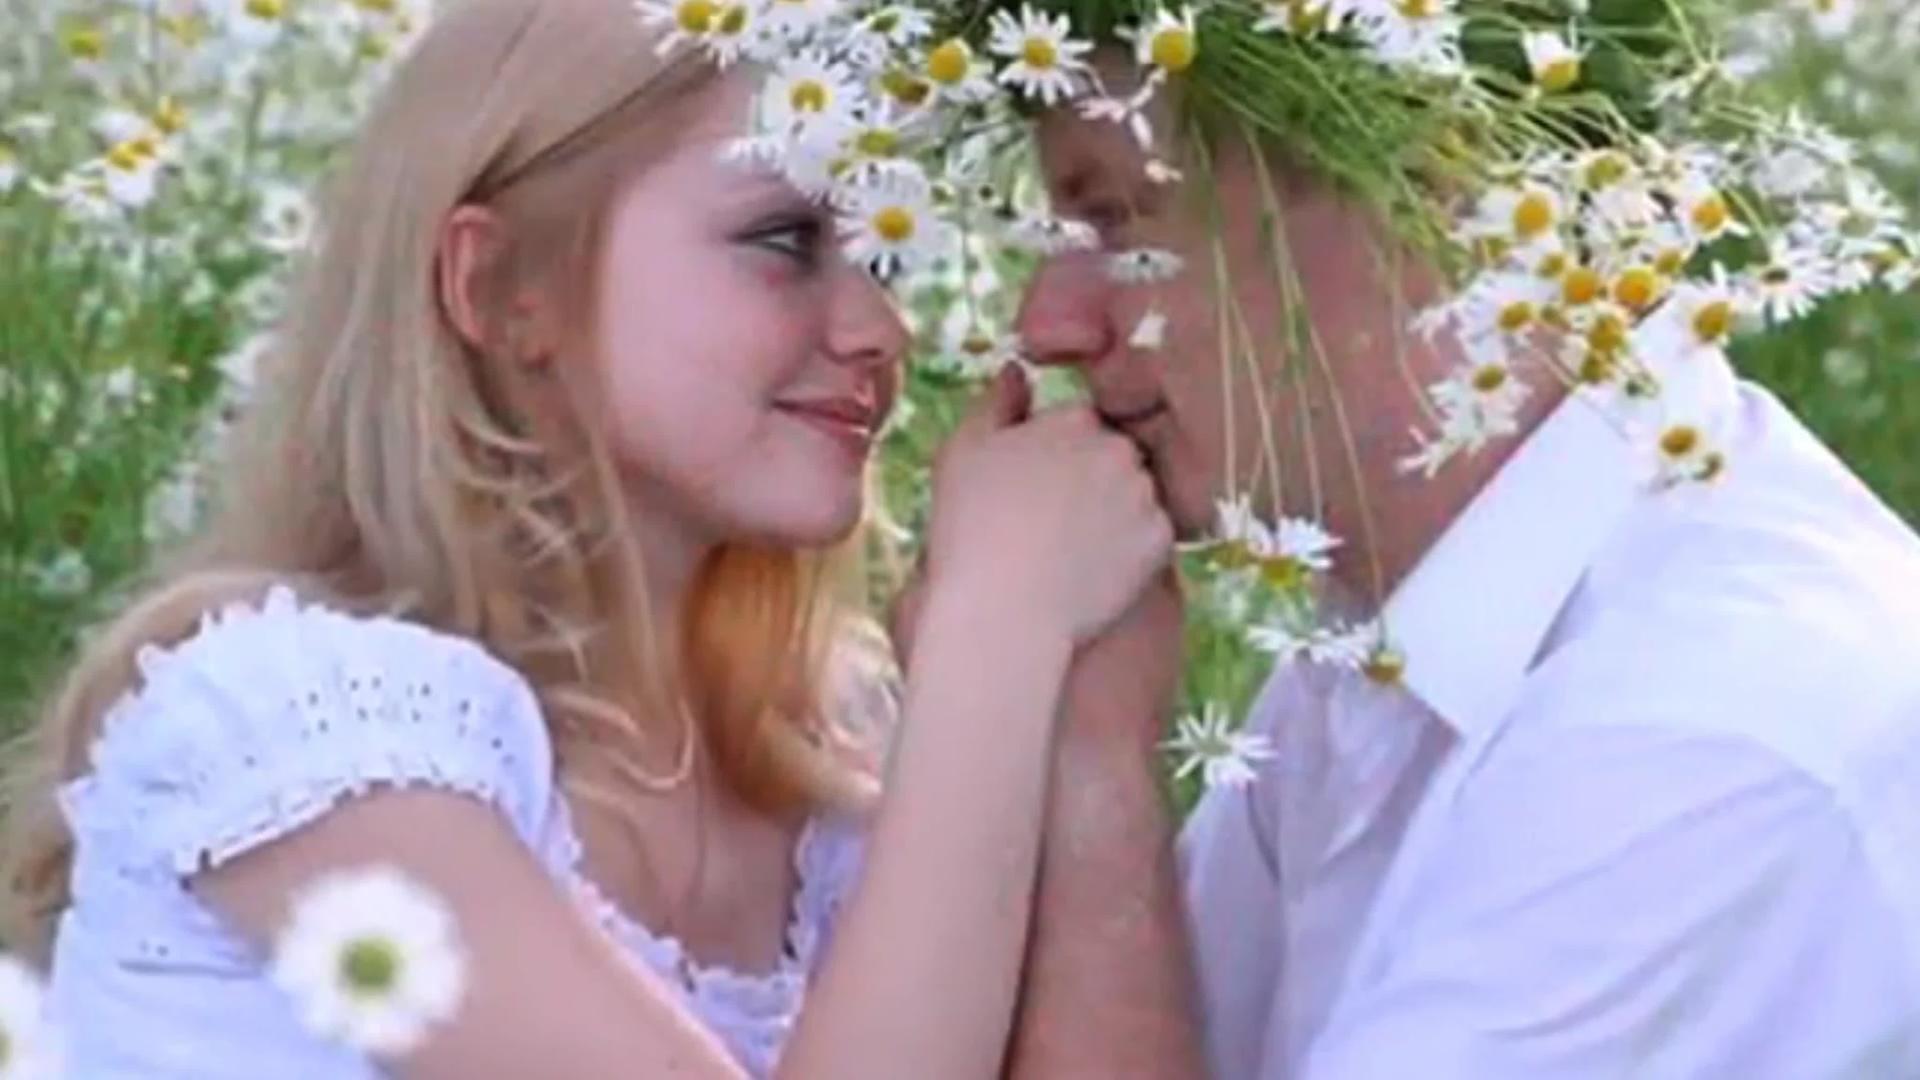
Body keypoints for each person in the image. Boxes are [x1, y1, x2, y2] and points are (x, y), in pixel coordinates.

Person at [0, 1, 1172, 1075]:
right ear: (501, 287)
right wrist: (995, 632)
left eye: (883, 256)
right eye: (783, 240)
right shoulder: (305, 731)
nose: (879, 328)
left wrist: (1091, 726)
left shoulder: (831, 774)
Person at [1004, 43, 1920, 1079]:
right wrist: (1088, 726)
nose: (1047, 326)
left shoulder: (1700, 729)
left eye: (1117, 224)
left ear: (1426, 188)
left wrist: (1090, 766)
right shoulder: (1400, 644)